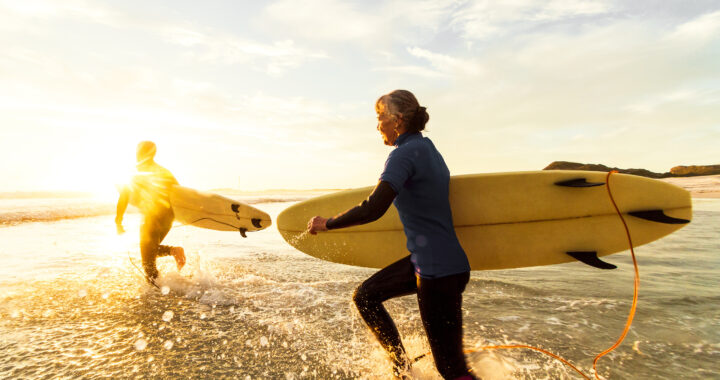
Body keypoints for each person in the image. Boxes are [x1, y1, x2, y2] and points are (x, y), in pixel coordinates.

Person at [307, 90, 476, 380]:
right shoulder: (428, 149)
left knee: (451, 369)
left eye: (380, 117)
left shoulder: (402, 155)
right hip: (435, 264)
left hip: (437, 273)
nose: (377, 125)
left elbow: (373, 208)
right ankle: (401, 369)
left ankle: (403, 369)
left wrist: (327, 224)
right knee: (366, 297)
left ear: (397, 120)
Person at [116, 141, 186, 282]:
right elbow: (179, 194)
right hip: (168, 217)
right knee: (151, 252)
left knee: (148, 264)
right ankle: (173, 252)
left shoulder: (135, 172)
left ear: (139, 152)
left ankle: (159, 291)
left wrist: (118, 220)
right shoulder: (164, 171)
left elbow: (124, 196)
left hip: (152, 217)